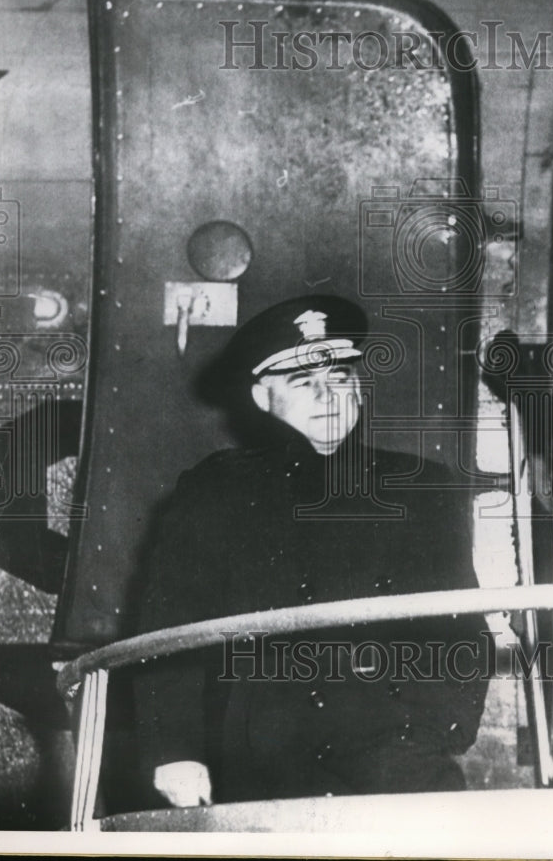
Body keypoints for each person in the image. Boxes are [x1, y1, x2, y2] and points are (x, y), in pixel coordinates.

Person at [135, 295, 489, 807]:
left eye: (340, 379)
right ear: (263, 398)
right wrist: (175, 750)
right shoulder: (217, 491)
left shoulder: (422, 489)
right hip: (263, 757)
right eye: (304, 383)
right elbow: (169, 625)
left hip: (395, 755)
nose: (327, 396)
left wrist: (436, 732)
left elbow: (460, 627)